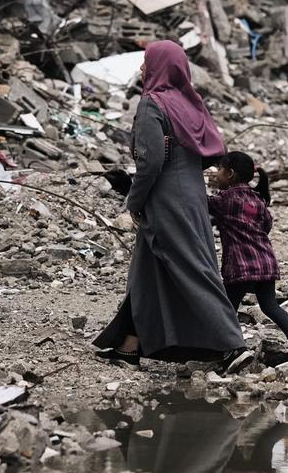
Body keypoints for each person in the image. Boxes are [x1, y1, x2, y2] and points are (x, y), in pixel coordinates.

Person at [93, 41, 245, 365]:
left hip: (166, 203)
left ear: (159, 66)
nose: (141, 69)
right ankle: (129, 345)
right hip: (192, 198)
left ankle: (233, 344)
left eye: (146, 62)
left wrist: (133, 201)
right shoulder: (191, 103)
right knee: (147, 273)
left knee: (194, 270)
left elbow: (150, 163)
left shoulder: (152, 103)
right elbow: (213, 151)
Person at [207, 151, 288, 360]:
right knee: (270, 305)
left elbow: (199, 202)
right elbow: (266, 225)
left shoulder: (226, 200)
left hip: (240, 264)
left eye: (219, 170)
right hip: (266, 262)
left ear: (230, 173)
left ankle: (232, 348)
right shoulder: (258, 200)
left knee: (227, 308)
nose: (215, 174)